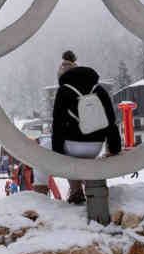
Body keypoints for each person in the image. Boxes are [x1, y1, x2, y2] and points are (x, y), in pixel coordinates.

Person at [51, 50, 122, 205]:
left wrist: (57, 152)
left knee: (70, 160)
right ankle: (94, 187)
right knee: (88, 162)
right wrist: (114, 148)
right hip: (96, 145)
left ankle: (76, 191)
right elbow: (110, 121)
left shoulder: (63, 91)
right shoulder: (99, 90)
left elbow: (58, 124)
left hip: (72, 145)